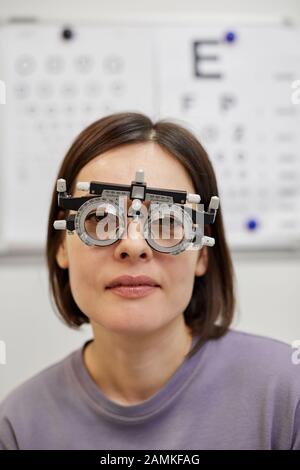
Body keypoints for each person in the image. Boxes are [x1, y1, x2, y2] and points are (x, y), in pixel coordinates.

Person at [0, 112, 299, 450]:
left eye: (168, 220)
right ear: (61, 246)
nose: (133, 245)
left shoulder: (287, 398)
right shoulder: (19, 427)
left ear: (202, 251)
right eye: (99, 217)